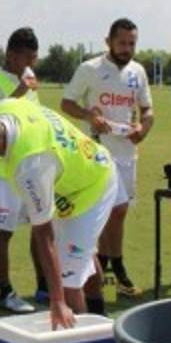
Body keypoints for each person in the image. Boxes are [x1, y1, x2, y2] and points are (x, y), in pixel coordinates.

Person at [0, 100, 118, 330]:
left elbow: (43, 235)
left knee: (67, 283)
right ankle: (102, 321)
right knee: (79, 258)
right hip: (75, 177)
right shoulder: (3, 111)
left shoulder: (30, 167)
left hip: (91, 188)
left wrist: (57, 301)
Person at [61, 18, 153, 296]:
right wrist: (90, 116)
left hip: (127, 153)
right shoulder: (90, 68)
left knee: (119, 213)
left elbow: (147, 109)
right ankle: (112, 270)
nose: (127, 48)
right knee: (108, 211)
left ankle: (103, 268)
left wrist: (143, 129)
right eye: (122, 42)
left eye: (132, 43)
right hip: (97, 154)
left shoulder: (138, 72)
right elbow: (66, 103)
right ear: (109, 41)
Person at [0, 27, 47, 312]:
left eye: (34, 58)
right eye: (26, 58)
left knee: (41, 227)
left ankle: (44, 286)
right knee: (3, 232)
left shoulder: (27, 80)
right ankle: (5, 291)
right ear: (10, 54)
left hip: (32, 167)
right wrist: (20, 91)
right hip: (3, 173)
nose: (30, 64)